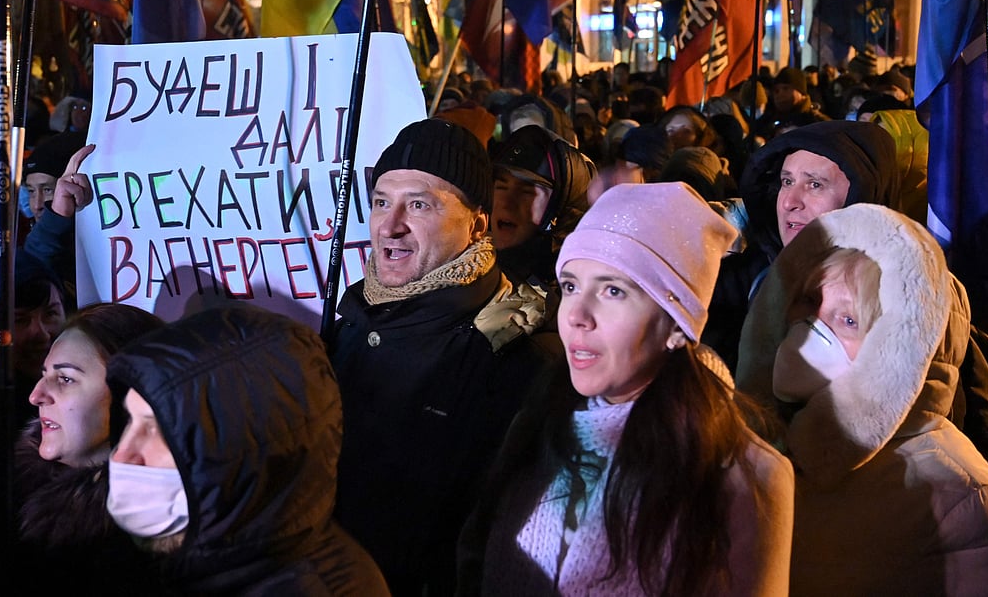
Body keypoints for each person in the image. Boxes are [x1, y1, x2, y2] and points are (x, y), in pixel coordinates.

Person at [457, 182, 794, 595]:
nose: (577, 315)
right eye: (570, 286)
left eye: (613, 290)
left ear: (676, 324)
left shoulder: (745, 477)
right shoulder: (540, 417)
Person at [735, 204, 988, 594]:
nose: (811, 326)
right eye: (810, 301)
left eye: (848, 319)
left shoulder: (968, 497)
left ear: (898, 345)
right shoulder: (756, 444)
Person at [329, 117, 555, 596]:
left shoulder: (515, 356)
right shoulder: (344, 322)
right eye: (380, 202)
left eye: (419, 204)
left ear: (477, 223)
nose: (390, 226)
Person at [105, 302, 391, 595]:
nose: (122, 455)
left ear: (237, 445)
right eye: (130, 420)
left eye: (157, 429)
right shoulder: (145, 555)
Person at [704, 120, 901, 372]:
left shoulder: (907, 292)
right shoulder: (752, 274)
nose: (789, 202)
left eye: (814, 184)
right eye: (786, 182)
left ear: (864, 194)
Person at [10, 302, 165, 594]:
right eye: (44, 375)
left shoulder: (151, 549)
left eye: (65, 379)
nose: (36, 395)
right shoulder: (7, 491)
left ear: (134, 396)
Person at [490, 124, 596, 303]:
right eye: (501, 187)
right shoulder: (463, 269)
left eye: (527, 192)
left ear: (561, 209)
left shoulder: (576, 298)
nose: (507, 203)